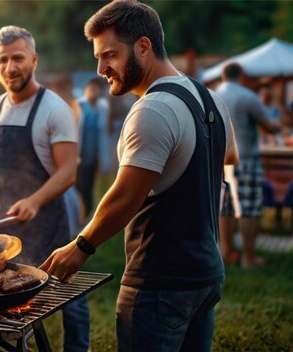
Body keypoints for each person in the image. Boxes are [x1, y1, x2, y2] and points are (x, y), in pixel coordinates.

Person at [40, 1, 238, 350]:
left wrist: (81, 246)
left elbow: (126, 196)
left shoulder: (153, 109)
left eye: (110, 55)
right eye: (98, 57)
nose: (101, 68)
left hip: (160, 281)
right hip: (206, 275)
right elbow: (229, 154)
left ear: (143, 47)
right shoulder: (208, 97)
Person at [0, 26, 87, 351]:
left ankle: (78, 348)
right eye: (2, 60)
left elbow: (68, 172)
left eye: (17, 58)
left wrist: (34, 200)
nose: (10, 68)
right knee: (2, 293)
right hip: (4, 229)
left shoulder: (54, 109)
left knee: (67, 293)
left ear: (34, 59)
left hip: (48, 222)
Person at [216, 62, 281, 268]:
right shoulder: (247, 97)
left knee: (225, 209)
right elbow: (270, 127)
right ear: (242, 74)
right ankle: (249, 258)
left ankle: (225, 253)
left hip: (220, 160)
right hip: (245, 159)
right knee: (248, 208)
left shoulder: (213, 95)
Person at [76, 77, 110, 222]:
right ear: (86, 90)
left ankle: (87, 217)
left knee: (90, 188)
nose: (93, 92)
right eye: (91, 89)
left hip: (94, 157)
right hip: (80, 157)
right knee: (80, 188)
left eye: (96, 90)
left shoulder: (102, 107)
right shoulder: (79, 106)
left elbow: (104, 132)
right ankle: (80, 217)